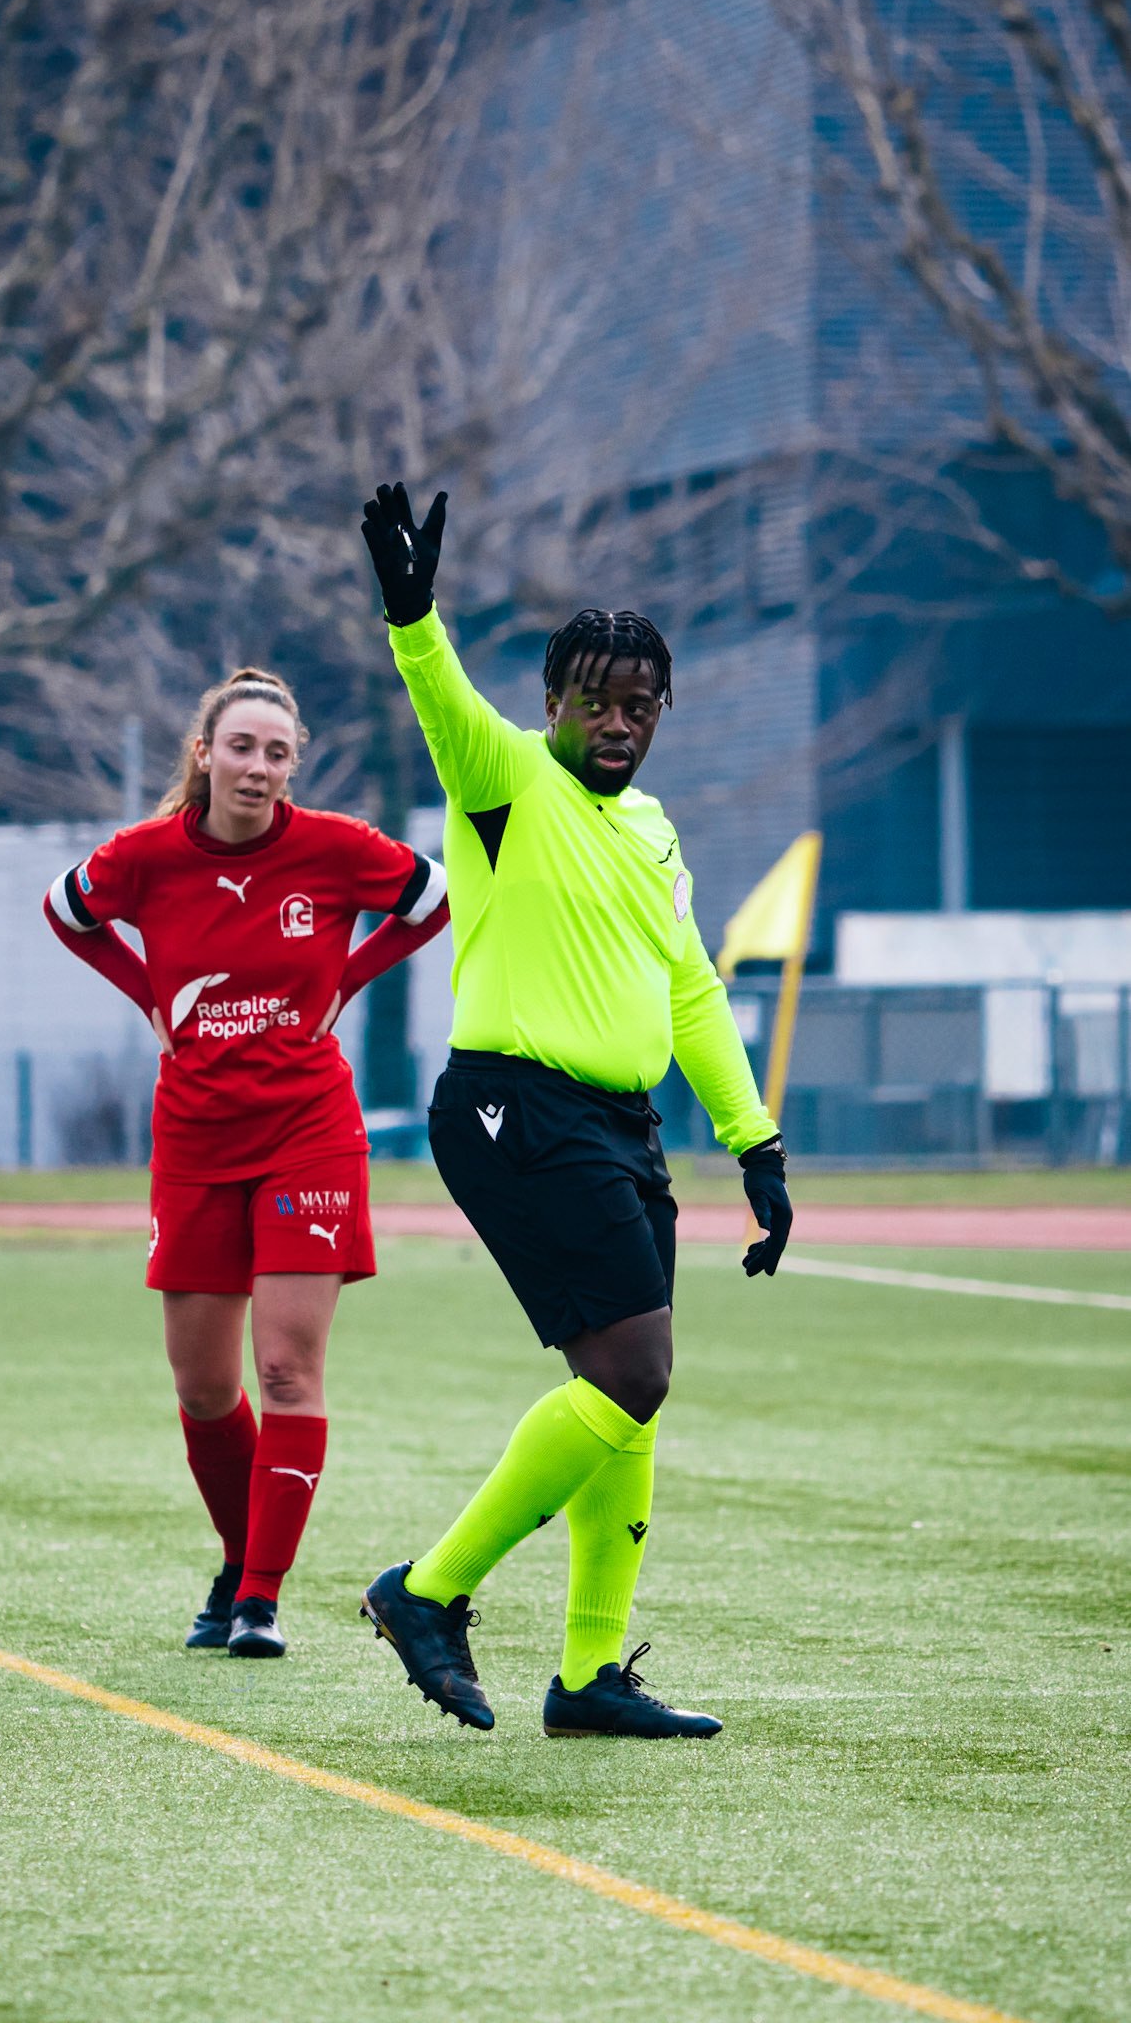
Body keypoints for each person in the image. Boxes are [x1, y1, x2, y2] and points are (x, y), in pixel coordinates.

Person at [357, 483, 793, 1738]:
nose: (615, 722)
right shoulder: (503, 782)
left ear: (661, 713)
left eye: (638, 704)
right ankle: (425, 1589)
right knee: (633, 1370)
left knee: (635, 1391)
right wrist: (411, 611)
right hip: (511, 1107)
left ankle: (590, 1676)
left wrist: (752, 1139)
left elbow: (693, 989)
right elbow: (441, 698)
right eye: (593, 701)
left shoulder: (653, 829)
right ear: (552, 705)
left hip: (619, 1129)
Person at [44, 666, 448, 1658]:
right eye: (241, 747)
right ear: (204, 753)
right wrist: (147, 993)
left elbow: (432, 900)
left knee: (285, 1366)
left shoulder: (336, 848)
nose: (258, 767)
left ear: (291, 764)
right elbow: (64, 911)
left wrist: (348, 979)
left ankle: (261, 1597)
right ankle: (237, 1561)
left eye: (277, 752)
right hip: (194, 1136)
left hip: (309, 1127)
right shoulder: (144, 857)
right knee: (203, 1385)